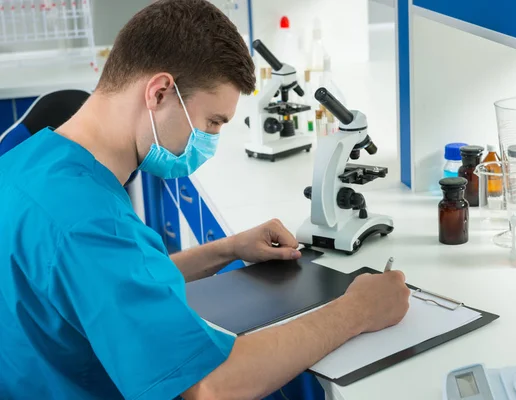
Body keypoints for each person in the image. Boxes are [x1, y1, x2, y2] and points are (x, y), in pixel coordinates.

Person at [0, 1, 411, 399]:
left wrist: (227, 249)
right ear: (160, 92)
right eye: (212, 122)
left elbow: (107, 280)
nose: (210, 141)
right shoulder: (91, 223)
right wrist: (358, 310)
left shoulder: (27, 162)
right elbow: (211, 386)